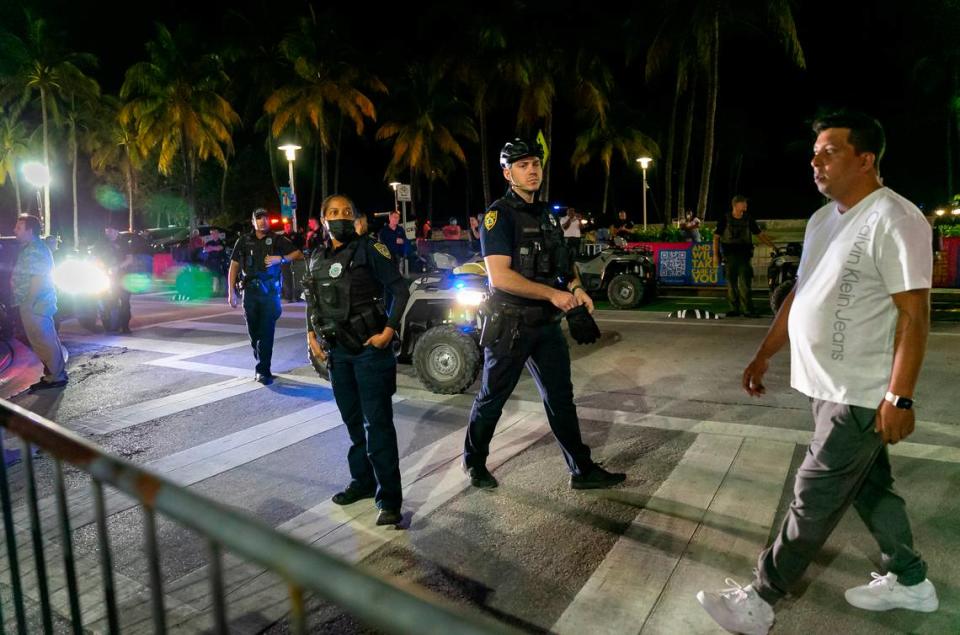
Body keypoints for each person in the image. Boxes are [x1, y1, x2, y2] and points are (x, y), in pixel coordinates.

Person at [697, 112, 939, 635]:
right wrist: (764, 353)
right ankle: (912, 579)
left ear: (866, 158)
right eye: (815, 152)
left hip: (861, 391)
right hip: (824, 386)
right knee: (872, 489)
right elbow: (800, 295)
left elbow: (915, 315)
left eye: (829, 151)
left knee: (813, 495)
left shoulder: (896, 219)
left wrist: (899, 397)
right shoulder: (822, 219)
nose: (815, 160)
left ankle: (761, 599)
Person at [463, 138, 626, 490]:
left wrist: (577, 289)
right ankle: (475, 463)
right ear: (508, 173)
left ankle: (581, 470)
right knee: (492, 399)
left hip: (546, 325)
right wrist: (555, 294)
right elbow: (500, 276)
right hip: (510, 324)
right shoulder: (498, 215)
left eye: (535, 163)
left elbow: (563, 266)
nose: (532, 169)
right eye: (522, 165)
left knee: (560, 399)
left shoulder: (547, 216)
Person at [303, 194, 410, 527]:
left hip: (369, 351)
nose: (340, 216)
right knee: (353, 424)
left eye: (346, 212)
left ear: (354, 218)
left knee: (377, 425)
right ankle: (363, 483)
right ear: (323, 220)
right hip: (338, 354)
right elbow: (313, 299)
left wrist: (389, 330)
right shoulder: (316, 257)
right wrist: (310, 334)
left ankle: (389, 499)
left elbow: (400, 290)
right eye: (333, 212)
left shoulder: (370, 249)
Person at [227, 208, 303, 384]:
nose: (262, 221)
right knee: (254, 334)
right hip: (250, 293)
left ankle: (263, 370)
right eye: (258, 218)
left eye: (265, 218)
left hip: (269, 293)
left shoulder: (277, 240)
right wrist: (231, 292)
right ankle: (260, 356)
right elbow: (234, 266)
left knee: (266, 332)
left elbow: (298, 254)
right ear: (253, 222)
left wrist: (280, 259)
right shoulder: (244, 241)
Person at [12, 214, 67, 391]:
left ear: (30, 230)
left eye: (19, 228)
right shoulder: (31, 248)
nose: (15, 231)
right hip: (34, 302)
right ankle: (53, 375)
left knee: (43, 340)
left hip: (35, 303)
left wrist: (29, 302)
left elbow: (38, 278)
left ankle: (55, 377)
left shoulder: (35, 249)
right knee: (42, 339)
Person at [712, 195, 776, 317]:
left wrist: (772, 245)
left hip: (744, 256)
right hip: (729, 256)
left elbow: (759, 234)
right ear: (736, 205)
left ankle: (747, 310)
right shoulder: (725, 218)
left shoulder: (748, 218)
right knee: (731, 285)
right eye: (743, 203)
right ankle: (734, 309)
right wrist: (716, 255)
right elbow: (716, 237)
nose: (746, 205)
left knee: (745, 284)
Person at [95, 224, 135, 333]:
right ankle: (109, 325)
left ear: (117, 231)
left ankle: (125, 326)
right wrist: (102, 267)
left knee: (125, 302)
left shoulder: (124, 243)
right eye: (107, 232)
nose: (109, 234)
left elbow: (129, 259)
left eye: (111, 231)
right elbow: (96, 258)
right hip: (106, 276)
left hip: (123, 277)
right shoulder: (101, 244)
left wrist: (118, 267)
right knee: (108, 301)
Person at [202, 228, 226, 295]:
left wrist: (211, 248)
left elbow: (220, 248)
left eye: (215, 233)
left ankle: (219, 291)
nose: (213, 235)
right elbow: (205, 250)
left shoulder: (222, 242)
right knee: (211, 276)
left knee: (220, 277)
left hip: (220, 262)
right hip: (210, 262)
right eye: (212, 233)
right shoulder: (209, 243)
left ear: (218, 234)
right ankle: (213, 291)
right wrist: (213, 248)